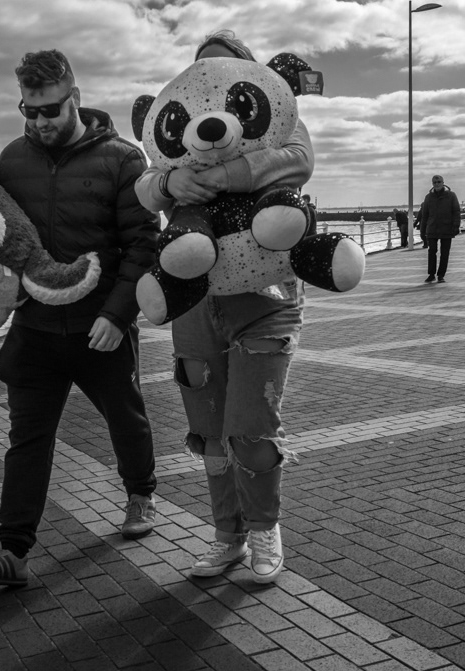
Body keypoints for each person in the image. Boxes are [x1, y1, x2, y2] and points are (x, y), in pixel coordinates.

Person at [0, 49, 161, 587]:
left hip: (102, 328)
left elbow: (143, 245)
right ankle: (12, 551)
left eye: (50, 109)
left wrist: (119, 315)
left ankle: (141, 493)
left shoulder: (122, 159)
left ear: (75, 97)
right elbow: (2, 236)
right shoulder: (13, 160)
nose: (41, 122)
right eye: (30, 111)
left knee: (126, 418)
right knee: (27, 439)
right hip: (36, 331)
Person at [135, 30, 312, 584]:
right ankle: (227, 537)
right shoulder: (182, 127)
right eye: (199, 72)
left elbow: (298, 160)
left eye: (223, 69)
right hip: (196, 302)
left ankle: (265, 529)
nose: (210, 83)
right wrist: (170, 178)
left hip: (264, 298)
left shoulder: (274, 117)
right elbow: (145, 183)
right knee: (210, 432)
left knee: (251, 429)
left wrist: (224, 175)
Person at [418, 174, 460, 283]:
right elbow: (425, 215)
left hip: (447, 228)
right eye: (434, 182)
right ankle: (431, 274)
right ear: (432, 184)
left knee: (445, 253)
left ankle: (441, 275)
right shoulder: (428, 197)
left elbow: (456, 212)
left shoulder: (451, 196)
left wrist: (456, 226)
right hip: (432, 228)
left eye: (439, 182)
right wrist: (422, 231)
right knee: (432, 251)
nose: (437, 184)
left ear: (443, 183)